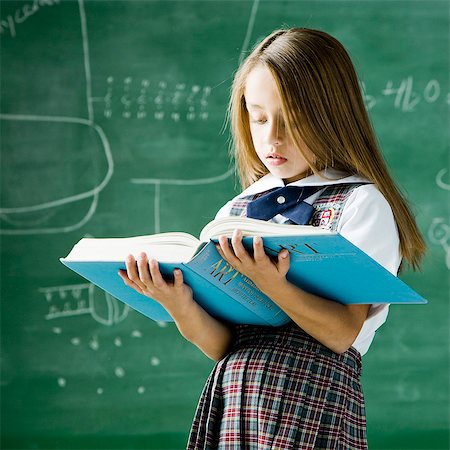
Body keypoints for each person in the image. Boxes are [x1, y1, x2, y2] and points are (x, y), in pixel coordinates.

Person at [118, 28, 426, 449]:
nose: (271, 138)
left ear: (331, 115)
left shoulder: (361, 203)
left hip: (313, 401)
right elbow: (222, 344)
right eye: (258, 118)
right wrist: (178, 304)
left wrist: (272, 284)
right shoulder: (238, 210)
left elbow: (341, 334)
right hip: (236, 404)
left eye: (291, 120)